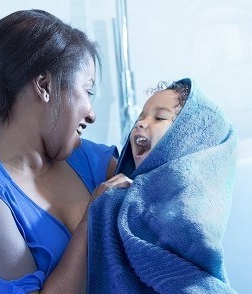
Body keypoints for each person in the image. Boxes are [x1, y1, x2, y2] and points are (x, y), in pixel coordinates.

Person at [0, 9, 130, 293]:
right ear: (45, 86)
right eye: (87, 91)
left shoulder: (91, 160)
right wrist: (94, 219)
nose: (91, 114)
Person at [88, 78, 238, 293]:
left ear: (186, 137)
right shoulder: (124, 194)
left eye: (159, 117)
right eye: (141, 117)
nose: (140, 123)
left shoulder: (191, 196)